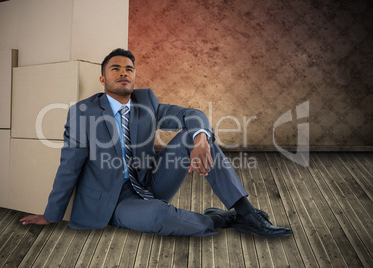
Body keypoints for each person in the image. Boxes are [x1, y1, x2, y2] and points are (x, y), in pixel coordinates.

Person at [20, 48, 292, 238]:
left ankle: (247, 213)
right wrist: (51, 215)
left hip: (151, 183)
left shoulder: (146, 102)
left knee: (196, 134)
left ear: (134, 77)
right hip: (114, 202)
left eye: (129, 69)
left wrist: (200, 140)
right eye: (115, 68)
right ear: (103, 79)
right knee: (160, 217)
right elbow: (68, 168)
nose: (123, 72)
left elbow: (191, 115)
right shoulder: (83, 112)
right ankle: (223, 219)